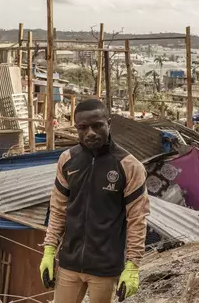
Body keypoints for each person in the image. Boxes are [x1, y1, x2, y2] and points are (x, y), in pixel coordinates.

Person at [40, 99, 150, 303]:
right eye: (82, 127)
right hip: (69, 264)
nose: (90, 132)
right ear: (76, 128)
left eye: (97, 125)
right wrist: (49, 250)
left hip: (105, 268)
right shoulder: (67, 160)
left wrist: (133, 265)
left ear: (109, 123)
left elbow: (137, 219)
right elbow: (58, 210)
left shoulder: (129, 166)